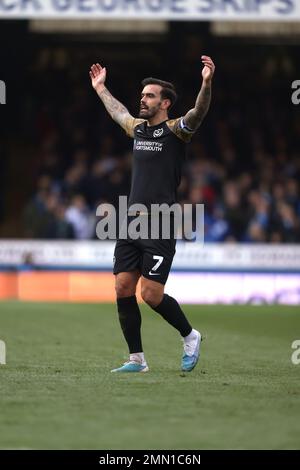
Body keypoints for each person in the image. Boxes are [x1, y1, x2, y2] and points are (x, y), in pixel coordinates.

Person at [90, 56, 215, 373]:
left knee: (151, 294)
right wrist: (100, 88)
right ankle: (136, 360)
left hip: (161, 223)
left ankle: (190, 335)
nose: (142, 100)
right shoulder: (138, 129)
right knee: (122, 287)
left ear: (165, 102)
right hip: (131, 221)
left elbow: (198, 112)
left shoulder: (177, 131)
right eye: (142, 95)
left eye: (149, 96)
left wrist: (206, 83)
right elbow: (119, 112)